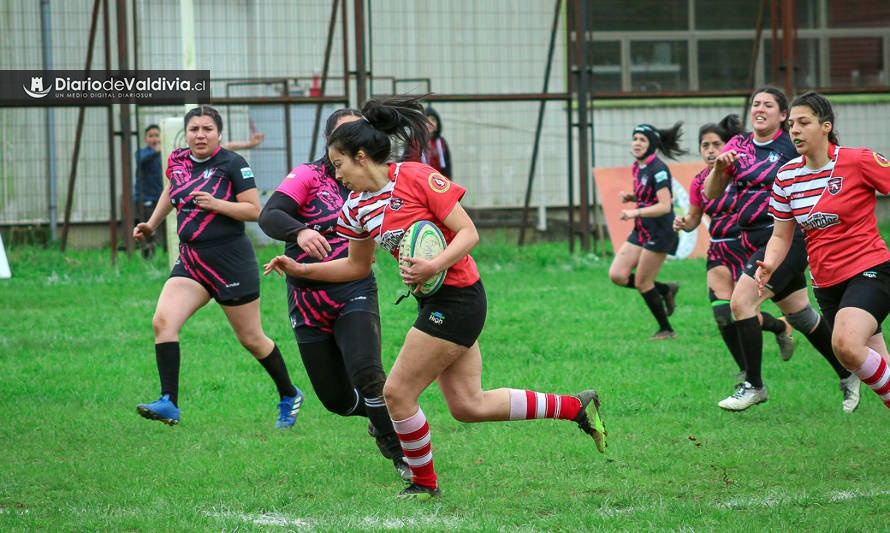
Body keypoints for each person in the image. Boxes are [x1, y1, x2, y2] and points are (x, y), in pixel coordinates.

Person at [264, 95, 606, 500]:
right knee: (468, 405)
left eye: (339, 165)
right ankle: (577, 407)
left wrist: (432, 265)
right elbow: (356, 268)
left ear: (360, 157)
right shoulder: (355, 209)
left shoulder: (416, 176)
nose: (336, 177)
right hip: (435, 302)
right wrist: (301, 269)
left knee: (396, 393)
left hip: (460, 298)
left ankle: (423, 484)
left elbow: (469, 233)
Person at [257, 108, 411, 482]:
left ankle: (402, 459)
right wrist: (299, 232)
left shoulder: (378, 180)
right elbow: (269, 216)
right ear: (329, 145)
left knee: (368, 373)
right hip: (307, 298)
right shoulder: (310, 175)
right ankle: (381, 416)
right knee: (337, 401)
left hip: (354, 288)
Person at [133, 105, 304, 428]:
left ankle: (289, 393)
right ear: (187, 133)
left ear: (219, 134)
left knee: (252, 338)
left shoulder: (233, 164)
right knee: (163, 323)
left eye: (207, 129)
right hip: (192, 261)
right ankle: (169, 401)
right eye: (194, 129)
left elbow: (255, 211)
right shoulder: (178, 161)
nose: (200, 134)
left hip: (231, 263)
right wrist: (152, 224)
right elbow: (171, 191)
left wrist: (217, 205)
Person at [703, 87, 860, 412]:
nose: (760, 109)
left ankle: (754, 385)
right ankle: (848, 373)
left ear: (783, 115)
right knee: (800, 315)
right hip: (752, 241)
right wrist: (719, 169)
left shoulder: (793, 145)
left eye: (768, 105)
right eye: (756, 103)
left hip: (786, 240)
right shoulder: (739, 145)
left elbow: (833, 172)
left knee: (741, 302)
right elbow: (711, 193)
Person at [756, 91, 890, 410]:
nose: (795, 131)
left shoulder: (857, 160)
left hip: (869, 270)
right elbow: (780, 235)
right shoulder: (787, 176)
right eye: (791, 125)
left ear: (825, 126)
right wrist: (769, 264)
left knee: (845, 345)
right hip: (826, 284)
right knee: (874, 363)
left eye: (804, 123)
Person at [674, 115, 794, 383]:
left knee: (742, 309)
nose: (710, 150)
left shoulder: (742, 172)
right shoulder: (699, 182)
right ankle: (745, 369)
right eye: (704, 145)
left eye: (716, 144)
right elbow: (695, 219)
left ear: (728, 146)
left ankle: (779, 326)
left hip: (744, 247)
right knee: (721, 315)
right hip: (717, 251)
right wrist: (684, 223)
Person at [608, 122, 684, 340]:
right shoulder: (638, 166)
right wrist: (633, 198)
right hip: (643, 229)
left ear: (652, 145)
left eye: (643, 139)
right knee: (618, 275)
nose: (637, 143)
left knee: (642, 282)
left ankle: (666, 330)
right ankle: (664, 289)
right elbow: (648, 196)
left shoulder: (658, 169)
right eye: (635, 139)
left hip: (661, 231)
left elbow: (664, 206)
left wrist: (635, 212)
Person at [134, 125, 165, 258]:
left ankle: (163, 251)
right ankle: (147, 253)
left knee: (162, 227)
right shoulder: (142, 153)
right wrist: (156, 151)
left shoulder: (163, 154)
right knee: (147, 226)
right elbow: (141, 160)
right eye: (151, 136)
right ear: (146, 139)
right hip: (145, 197)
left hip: (160, 196)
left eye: (157, 135)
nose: (154, 139)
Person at [421, 106, 451, 178]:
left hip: (438, 182)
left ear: (437, 125)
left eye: (433, 120)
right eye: (426, 120)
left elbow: (447, 168)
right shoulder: (414, 142)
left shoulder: (441, 143)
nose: (429, 123)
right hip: (419, 181)